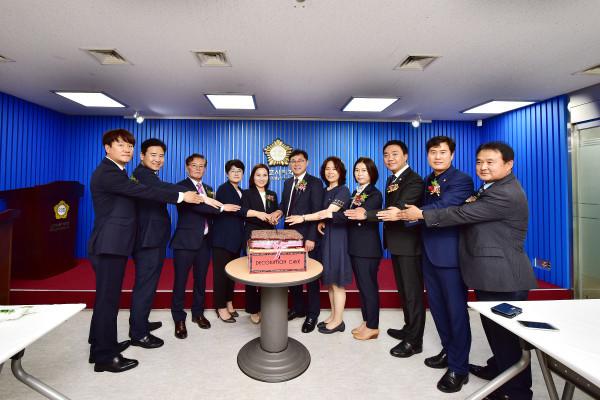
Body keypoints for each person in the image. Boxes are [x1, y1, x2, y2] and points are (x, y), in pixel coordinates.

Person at [398, 141, 538, 400]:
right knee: (496, 334)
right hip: (487, 272)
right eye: (479, 162)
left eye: (490, 162)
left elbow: (462, 213)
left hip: (504, 276)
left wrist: (418, 215)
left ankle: (516, 393)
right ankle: (498, 371)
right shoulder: (488, 187)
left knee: (506, 339)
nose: (483, 167)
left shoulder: (504, 193)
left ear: (509, 164)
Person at [88, 129, 202, 373]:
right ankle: (105, 356)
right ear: (107, 148)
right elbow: (145, 191)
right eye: (121, 145)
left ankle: (99, 346)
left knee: (107, 299)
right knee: (108, 300)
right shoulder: (109, 173)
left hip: (116, 243)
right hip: (109, 243)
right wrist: (182, 196)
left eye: (129, 145)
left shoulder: (118, 172)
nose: (126, 149)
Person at [385, 136, 474, 392]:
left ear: (452, 155)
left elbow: (445, 206)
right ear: (427, 156)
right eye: (433, 152)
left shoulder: (461, 180)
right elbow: (418, 209)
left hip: (449, 256)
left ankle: (459, 369)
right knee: (438, 310)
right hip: (428, 253)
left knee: (456, 313)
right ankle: (449, 352)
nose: (437, 157)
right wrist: (410, 214)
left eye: (442, 152)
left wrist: (414, 214)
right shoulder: (429, 180)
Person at [346, 139, 425, 357]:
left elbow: (396, 211)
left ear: (405, 156)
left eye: (395, 154)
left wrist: (366, 214)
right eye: (386, 155)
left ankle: (414, 342)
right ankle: (408, 329)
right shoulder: (393, 179)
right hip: (396, 243)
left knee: (412, 294)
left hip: (409, 244)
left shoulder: (414, 180)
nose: (390, 158)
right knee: (404, 292)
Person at [130, 139, 193, 348]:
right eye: (153, 155)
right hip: (147, 239)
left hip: (153, 238)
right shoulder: (143, 174)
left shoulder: (148, 175)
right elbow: (162, 188)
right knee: (145, 285)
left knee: (148, 283)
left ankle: (140, 322)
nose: (158, 159)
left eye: (161, 156)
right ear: (142, 156)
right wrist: (187, 194)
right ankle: (139, 334)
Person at [170, 154, 238, 339]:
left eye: (201, 166)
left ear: (205, 169)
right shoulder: (182, 187)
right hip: (185, 242)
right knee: (180, 282)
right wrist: (222, 208)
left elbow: (212, 214)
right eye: (194, 165)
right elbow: (197, 206)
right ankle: (179, 318)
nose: (198, 169)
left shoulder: (208, 189)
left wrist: (223, 211)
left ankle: (197, 313)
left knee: (200, 280)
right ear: (187, 167)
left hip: (205, 241)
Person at [287, 156, 352, 334]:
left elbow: (327, 212)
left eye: (334, 169)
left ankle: (338, 321)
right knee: (330, 280)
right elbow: (322, 215)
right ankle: (333, 316)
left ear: (341, 172)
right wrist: (320, 222)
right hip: (326, 238)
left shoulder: (343, 190)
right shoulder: (324, 190)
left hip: (337, 238)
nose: (330, 172)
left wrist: (303, 218)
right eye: (327, 169)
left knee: (337, 282)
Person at [330, 157, 383, 340]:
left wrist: (328, 215)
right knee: (362, 287)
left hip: (367, 249)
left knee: (369, 288)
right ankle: (366, 321)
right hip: (356, 247)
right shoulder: (355, 192)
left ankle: (373, 327)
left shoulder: (374, 194)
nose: (359, 174)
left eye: (363, 170)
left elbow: (351, 215)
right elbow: (347, 213)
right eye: (357, 170)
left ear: (371, 173)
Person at [272, 149, 324, 333]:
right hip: (289, 236)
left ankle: (313, 313)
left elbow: (317, 211)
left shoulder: (315, 183)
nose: (296, 164)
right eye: (293, 161)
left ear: (307, 162)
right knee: (292, 274)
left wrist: (311, 238)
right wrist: (279, 211)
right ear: (289, 164)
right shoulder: (288, 183)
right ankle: (298, 307)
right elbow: (285, 204)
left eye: (300, 160)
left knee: (310, 277)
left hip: (307, 236)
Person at [241, 163, 280, 324]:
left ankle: (266, 307)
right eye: (258, 175)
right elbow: (242, 212)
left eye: (265, 175)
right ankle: (253, 308)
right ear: (253, 177)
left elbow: (275, 212)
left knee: (268, 272)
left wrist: (274, 218)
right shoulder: (246, 193)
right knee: (253, 273)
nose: (262, 178)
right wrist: (259, 214)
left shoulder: (272, 194)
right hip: (252, 235)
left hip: (270, 236)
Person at [212, 159, 246, 322]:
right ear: (227, 173)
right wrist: (255, 212)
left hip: (236, 240)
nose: (236, 173)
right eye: (233, 171)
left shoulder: (241, 191)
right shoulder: (224, 189)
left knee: (231, 274)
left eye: (239, 171)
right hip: (223, 239)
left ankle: (229, 302)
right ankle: (220, 307)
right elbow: (238, 211)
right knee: (221, 275)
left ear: (243, 174)